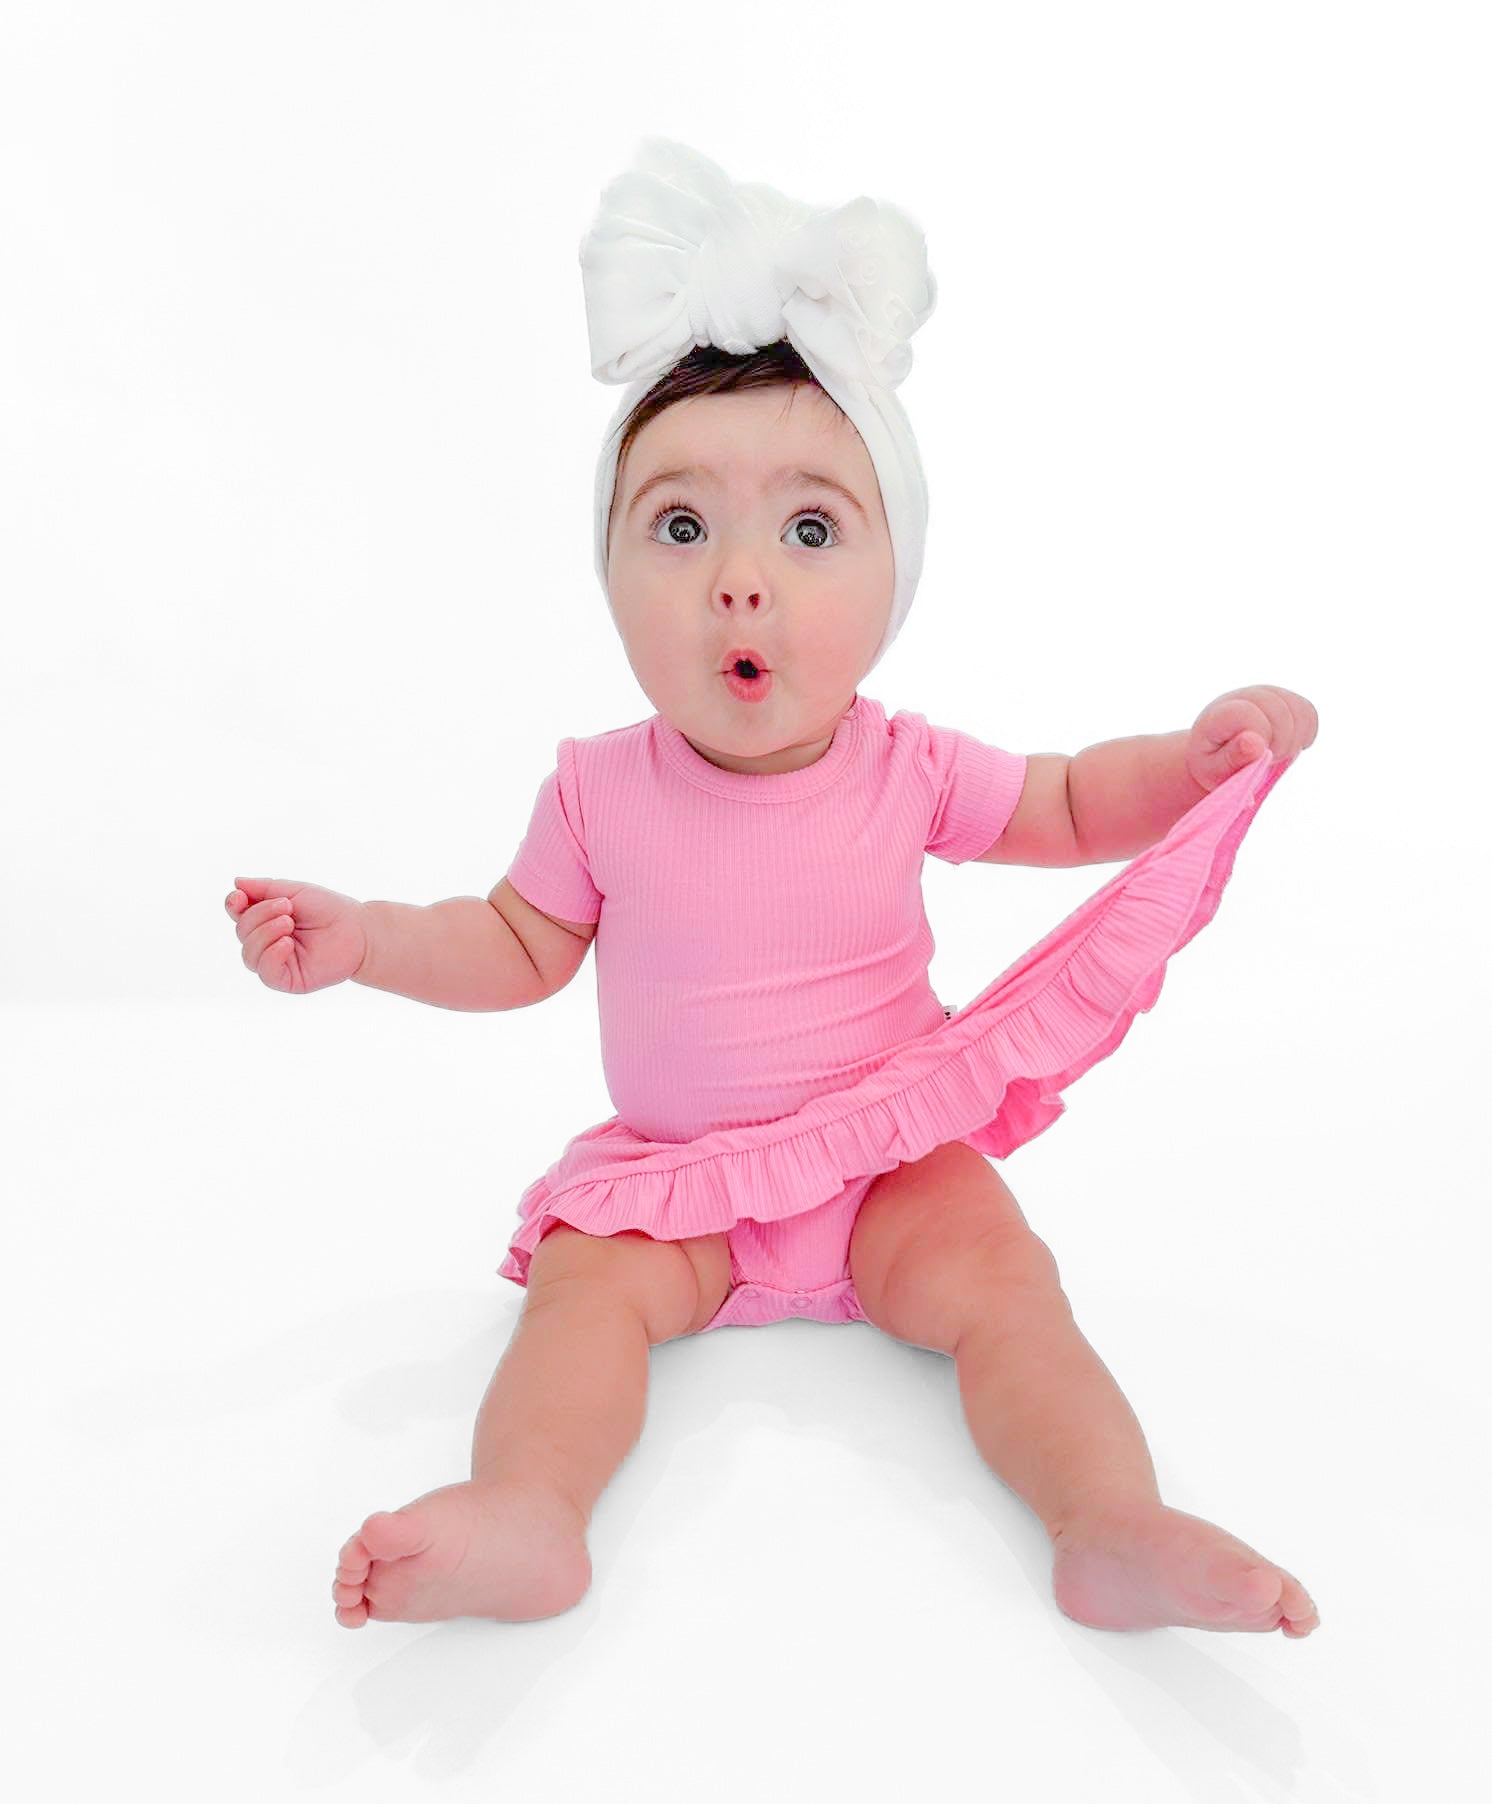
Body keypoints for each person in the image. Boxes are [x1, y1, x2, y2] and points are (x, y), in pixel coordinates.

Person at [225, 139, 1320, 1636]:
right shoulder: (598, 787)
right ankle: (532, 1514)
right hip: (673, 1187)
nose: (743, 578)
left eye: (810, 530)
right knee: (578, 1307)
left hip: (886, 1162)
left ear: (892, 583)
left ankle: (1109, 1519)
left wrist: (1191, 766)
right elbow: (511, 941)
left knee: (1009, 1288)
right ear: (608, 573)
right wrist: (366, 942)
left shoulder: (908, 767)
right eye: (681, 527)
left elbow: (1067, 798)